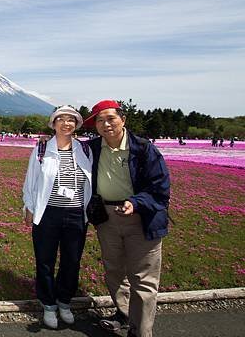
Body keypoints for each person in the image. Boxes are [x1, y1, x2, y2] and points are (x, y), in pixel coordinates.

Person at [84, 100, 170, 337]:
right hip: (107, 218)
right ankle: (123, 315)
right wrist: (44, 143)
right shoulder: (91, 148)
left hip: (142, 218)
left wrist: (136, 203)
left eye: (110, 118)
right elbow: (64, 150)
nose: (105, 124)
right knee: (114, 271)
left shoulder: (143, 149)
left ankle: (141, 332)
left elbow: (160, 190)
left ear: (123, 119)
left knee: (143, 279)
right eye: (99, 120)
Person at [22, 105, 93, 329]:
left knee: (72, 261)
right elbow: (30, 180)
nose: (66, 123)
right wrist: (29, 207)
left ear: (76, 124)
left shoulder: (85, 150)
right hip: (48, 213)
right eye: (60, 119)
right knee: (45, 261)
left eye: (70, 120)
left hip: (75, 214)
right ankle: (49, 305)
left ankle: (64, 302)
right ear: (53, 124)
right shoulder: (42, 148)